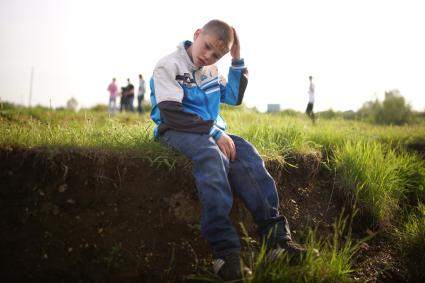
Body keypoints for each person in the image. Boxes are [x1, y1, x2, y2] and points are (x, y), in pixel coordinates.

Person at [150, 19, 309, 281]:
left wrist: (236, 59)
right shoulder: (169, 64)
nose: (208, 55)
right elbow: (170, 113)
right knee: (212, 156)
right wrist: (214, 132)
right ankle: (225, 255)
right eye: (207, 46)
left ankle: (277, 242)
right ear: (197, 34)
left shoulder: (211, 69)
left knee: (246, 153)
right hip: (177, 128)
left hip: (210, 131)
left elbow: (233, 97)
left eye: (217, 54)